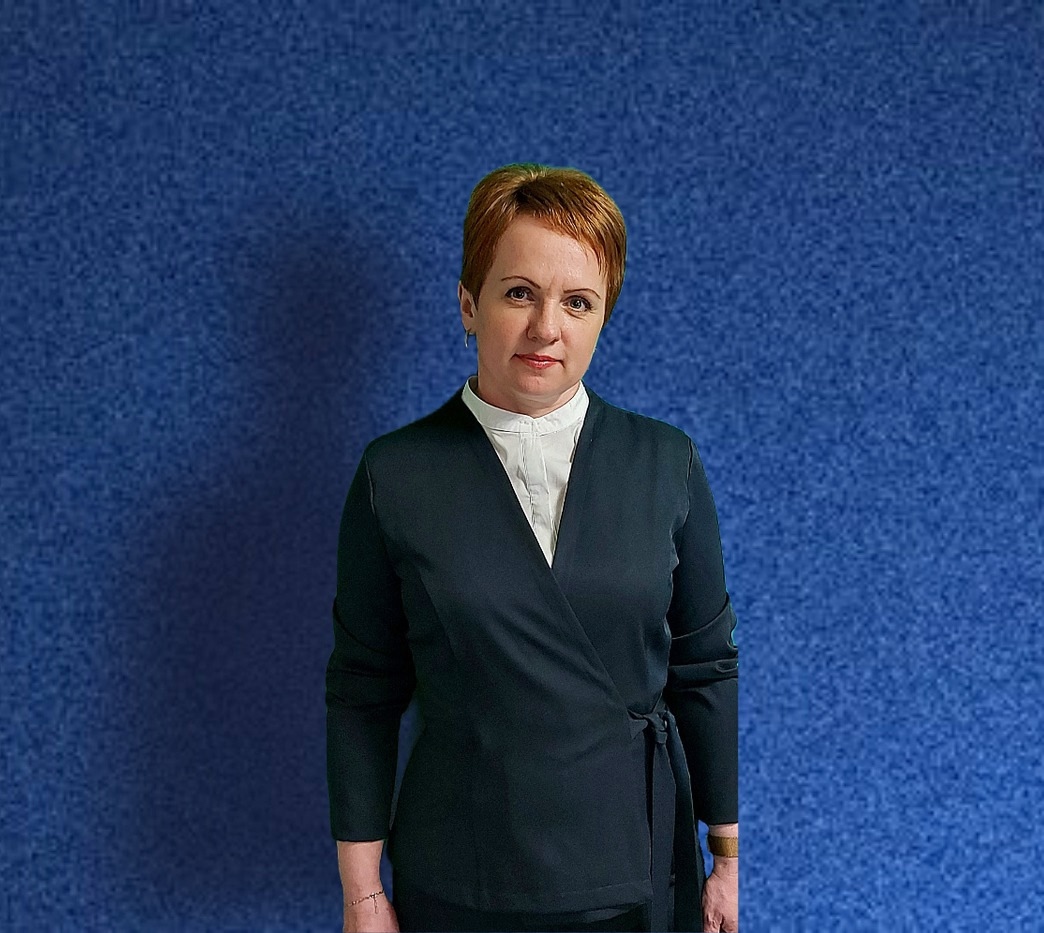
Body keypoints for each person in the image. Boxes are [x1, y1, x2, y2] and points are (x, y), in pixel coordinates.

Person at [326, 163, 739, 933]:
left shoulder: (667, 463)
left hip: (635, 866)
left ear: (602, 316)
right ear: (468, 303)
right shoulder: (396, 474)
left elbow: (706, 666)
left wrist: (727, 858)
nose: (547, 327)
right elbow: (362, 688)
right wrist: (362, 892)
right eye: (520, 292)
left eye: (577, 301)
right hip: (462, 875)